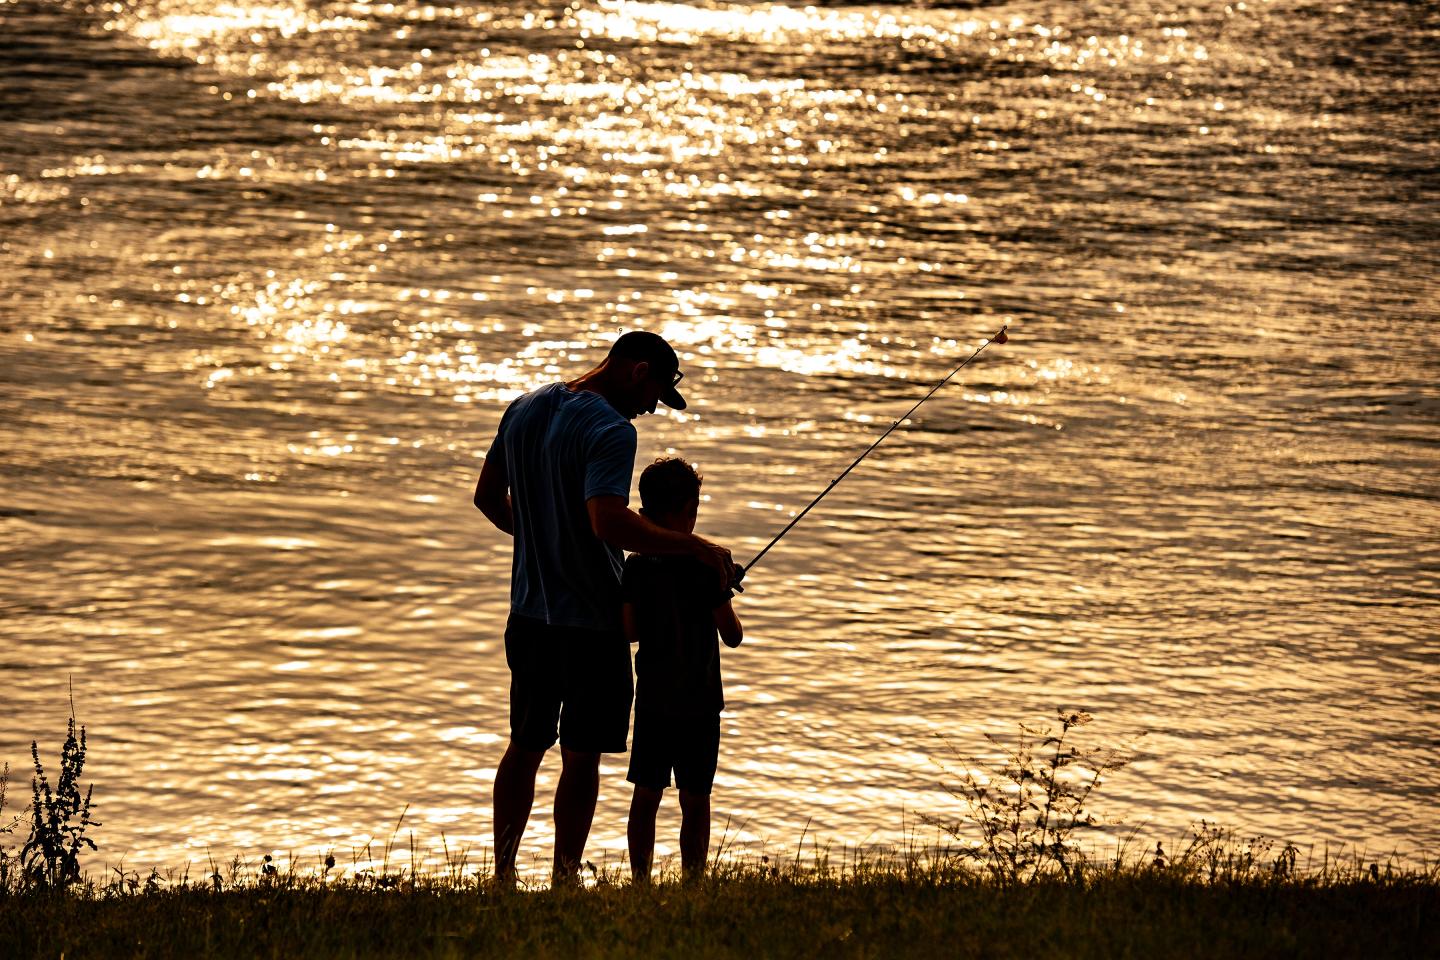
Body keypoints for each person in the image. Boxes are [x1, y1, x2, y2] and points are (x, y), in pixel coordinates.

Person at [473, 331, 736, 887]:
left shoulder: (522, 408)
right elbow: (608, 521)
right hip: (590, 621)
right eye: (655, 395)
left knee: (524, 745)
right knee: (581, 756)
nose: (650, 410)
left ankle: (502, 877)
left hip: (528, 614)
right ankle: (565, 880)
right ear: (638, 372)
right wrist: (698, 547)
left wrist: (541, 537)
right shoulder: (611, 429)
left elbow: (487, 498)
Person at [622, 457, 744, 884]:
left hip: (654, 700)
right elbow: (732, 636)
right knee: (696, 798)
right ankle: (693, 880)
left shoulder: (634, 566)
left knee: (646, 796)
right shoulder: (705, 566)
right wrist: (722, 591)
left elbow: (630, 631)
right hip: (700, 703)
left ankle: (641, 882)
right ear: (688, 512)